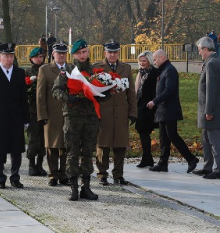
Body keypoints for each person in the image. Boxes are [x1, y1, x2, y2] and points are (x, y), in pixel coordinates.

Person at [52, 39, 107, 201]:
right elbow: (56, 90)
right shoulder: (67, 70)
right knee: (72, 153)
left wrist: (106, 92)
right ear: (73, 54)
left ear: (88, 52)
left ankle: (86, 187)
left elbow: (101, 93)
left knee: (88, 152)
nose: (82, 55)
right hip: (73, 117)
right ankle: (73, 187)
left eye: (84, 52)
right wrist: (68, 97)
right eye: (78, 53)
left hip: (91, 117)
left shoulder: (95, 71)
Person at [0, 43, 30, 189]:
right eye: (6, 56)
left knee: (16, 149)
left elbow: (23, 98)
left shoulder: (19, 73)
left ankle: (15, 177)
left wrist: (26, 118)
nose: (9, 59)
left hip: (16, 117)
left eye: (11, 56)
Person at [147, 50, 199, 173]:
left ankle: (191, 159)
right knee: (163, 137)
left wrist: (154, 101)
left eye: (155, 59)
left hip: (169, 109)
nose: (154, 62)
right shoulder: (163, 69)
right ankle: (162, 163)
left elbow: (169, 90)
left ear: (161, 57)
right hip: (162, 109)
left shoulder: (170, 70)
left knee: (172, 135)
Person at [93, 40, 136, 185]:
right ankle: (102, 174)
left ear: (118, 53)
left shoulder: (126, 68)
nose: (112, 55)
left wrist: (133, 112)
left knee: (120, 145)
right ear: (105, 52)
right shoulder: (97, 68)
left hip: (121, 112)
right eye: (110, 52)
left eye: (115, 52)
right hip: (103, 111)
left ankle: (118, 174)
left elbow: (131, 92)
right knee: (103, 145)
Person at [192, 36, 220, 179]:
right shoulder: (211, 62)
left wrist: (209, 110)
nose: (199, 53)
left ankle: (219, 170)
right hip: (207, 109)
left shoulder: (212, 63)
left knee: (214, 140)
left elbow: (211, 89)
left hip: (211, 110)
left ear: (206, 49)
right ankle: (208, 167)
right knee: (206, 139)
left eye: (200, 50)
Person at [37, 42, 72, 186]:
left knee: (65, 145)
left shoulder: (72, 69)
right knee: (51, 146)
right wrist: (42, 115)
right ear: (53, 54)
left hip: (69, 114)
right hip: (52, 114)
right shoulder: (45, 70)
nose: (61, 55)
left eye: (64, 53)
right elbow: (40, 95)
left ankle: (63, 174)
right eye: (59, 53)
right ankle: (53, 174)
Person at [25, 47, 47, 177]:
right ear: (31, 59)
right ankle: (31, 164)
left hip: (44, 109)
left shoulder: (46, 70)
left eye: (41, 56)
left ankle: (40, 164)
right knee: (33, 138)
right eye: (37, 57)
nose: (39, 59)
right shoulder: (27, 72)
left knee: (43, 139)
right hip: (32, 110)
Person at [135, 51, 159, 168]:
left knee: (144, 131)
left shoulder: (153, 73)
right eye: (140, 61)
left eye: (144, 61)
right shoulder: (141, 72)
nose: (142, 63)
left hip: (149, 106)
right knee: (142, 131)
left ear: (149, 61)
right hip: (140, 105)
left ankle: (147, 158)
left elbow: (155, 90)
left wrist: (153, 104)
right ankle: (147, 157)